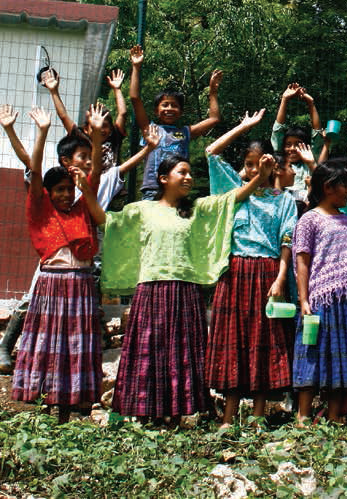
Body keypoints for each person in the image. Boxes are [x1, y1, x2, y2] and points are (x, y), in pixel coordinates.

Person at [101, 153, 268, 423]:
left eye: (190, 172)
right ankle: (146, 415)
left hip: (186, 291)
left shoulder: (197, 209)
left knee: (183, 354)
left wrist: (261, 175)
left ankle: (177, 415)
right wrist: (86, 189)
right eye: (183, 172)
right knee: (150, 352)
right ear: (164, 178)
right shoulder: (142, 209)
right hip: (151, 291)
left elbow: (233, 198)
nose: (189, 177)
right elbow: (108, 222)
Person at [204, 110, 297, 428]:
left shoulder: (283, 200)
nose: (255, 169)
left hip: (267, 274)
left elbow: (287, 240)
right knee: (234, 342)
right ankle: (229, 418)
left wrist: (282, 277)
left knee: (263, 343)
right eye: (250, 164)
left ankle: (258, 417)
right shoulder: (232, 189)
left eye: (262, 164)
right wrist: (243, 126)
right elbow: (211, 152)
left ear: (273, 166)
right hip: (235, 272)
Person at [11, 106, 105, 421]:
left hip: (80, 285)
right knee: (50, 342)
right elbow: (35, 171)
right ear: (48, 194)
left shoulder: (82, 207)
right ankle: (50, 402)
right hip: (52, 285)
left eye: (69, 189)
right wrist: (41, 132)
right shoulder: (40, 210)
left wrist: (95, 133)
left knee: (77, 343)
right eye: (59, 191)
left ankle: (74, 401)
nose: (65, 195)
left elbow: (96, 169)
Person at [292, 160, 347, 425]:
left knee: (343, 356)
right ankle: (303, 415)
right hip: (321, 300)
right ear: (328, 188)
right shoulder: (309, 219)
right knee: (313, 353)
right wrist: (304, 299)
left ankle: (334, 412)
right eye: (346, 187)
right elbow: (302, 260)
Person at [129, 44, 222, 199]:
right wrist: (136, 67)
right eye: (165, 105)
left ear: (181, 111)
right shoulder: (150, 128)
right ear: (156, 110)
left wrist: (213, 92)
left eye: (175, 105)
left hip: (178, 190)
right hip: (153, 189)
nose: (170, 108)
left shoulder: (185, 132)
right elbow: (134, 98)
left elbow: (214, 119)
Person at [41, 66, 128, 170]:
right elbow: (63, 116)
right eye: (94, 126)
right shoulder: (82, 139)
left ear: (110, 129)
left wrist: (117, 89)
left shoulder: (114, 138)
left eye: (104, 126)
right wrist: (54, 91)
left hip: (112, 185)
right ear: (86, 129)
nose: (99, 129)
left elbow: (122, 113)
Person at [271, 82, 324, 204]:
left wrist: (311, 103)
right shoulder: (280, 162)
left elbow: (317, 134)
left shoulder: (309, 163)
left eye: (298, 144)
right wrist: (284, 99)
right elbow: (278, 130)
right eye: (288, 144)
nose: (292, 149)